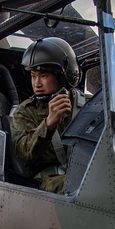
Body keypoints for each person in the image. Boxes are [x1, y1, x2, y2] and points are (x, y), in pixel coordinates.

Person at [10, 36, 85, 193]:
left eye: (43, 76)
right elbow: (24, 152)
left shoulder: (87, 104)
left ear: (62, 76)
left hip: (86, 171)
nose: (37, 83)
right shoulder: (26, 111)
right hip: (49, 179)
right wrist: (48, 124)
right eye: (33, 76)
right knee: (79, 186)